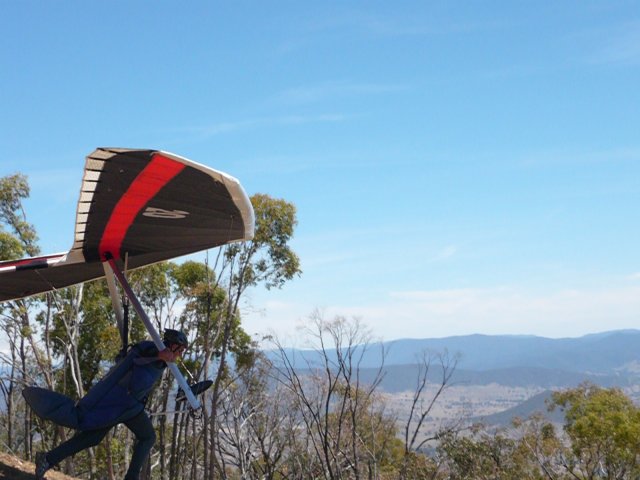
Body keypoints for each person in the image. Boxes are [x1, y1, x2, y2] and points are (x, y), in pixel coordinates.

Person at [29, 329, 188, 480]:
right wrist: (159, 354)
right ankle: (47, 459)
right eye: (180, 350)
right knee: (92, 437)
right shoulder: (150, 349)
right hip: (115, 405)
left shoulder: (163, 362)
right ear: (171, 345)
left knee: (148, 437)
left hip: (131, 408)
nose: (180, 354)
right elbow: (144, 354)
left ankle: (131, 478)